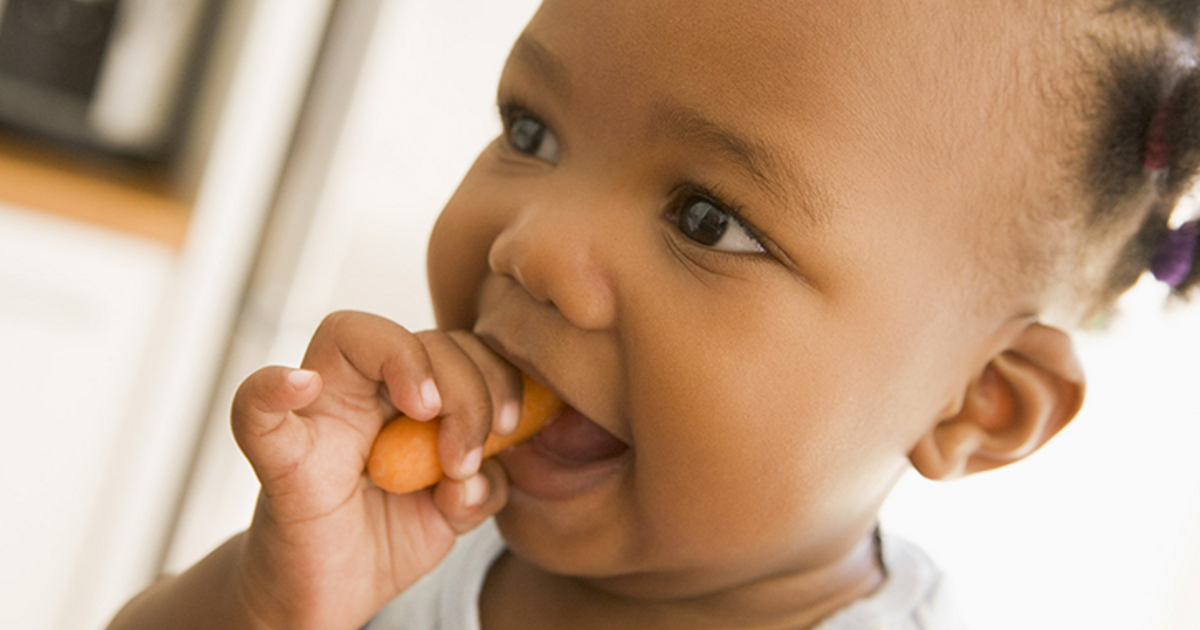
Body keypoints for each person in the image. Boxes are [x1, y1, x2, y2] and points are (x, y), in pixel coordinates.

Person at [107, 1, 1200, 628]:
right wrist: (266, 600)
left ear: (978, 404)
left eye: (707, 218)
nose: (527, 244)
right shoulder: (405, 555)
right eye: (531, 132)